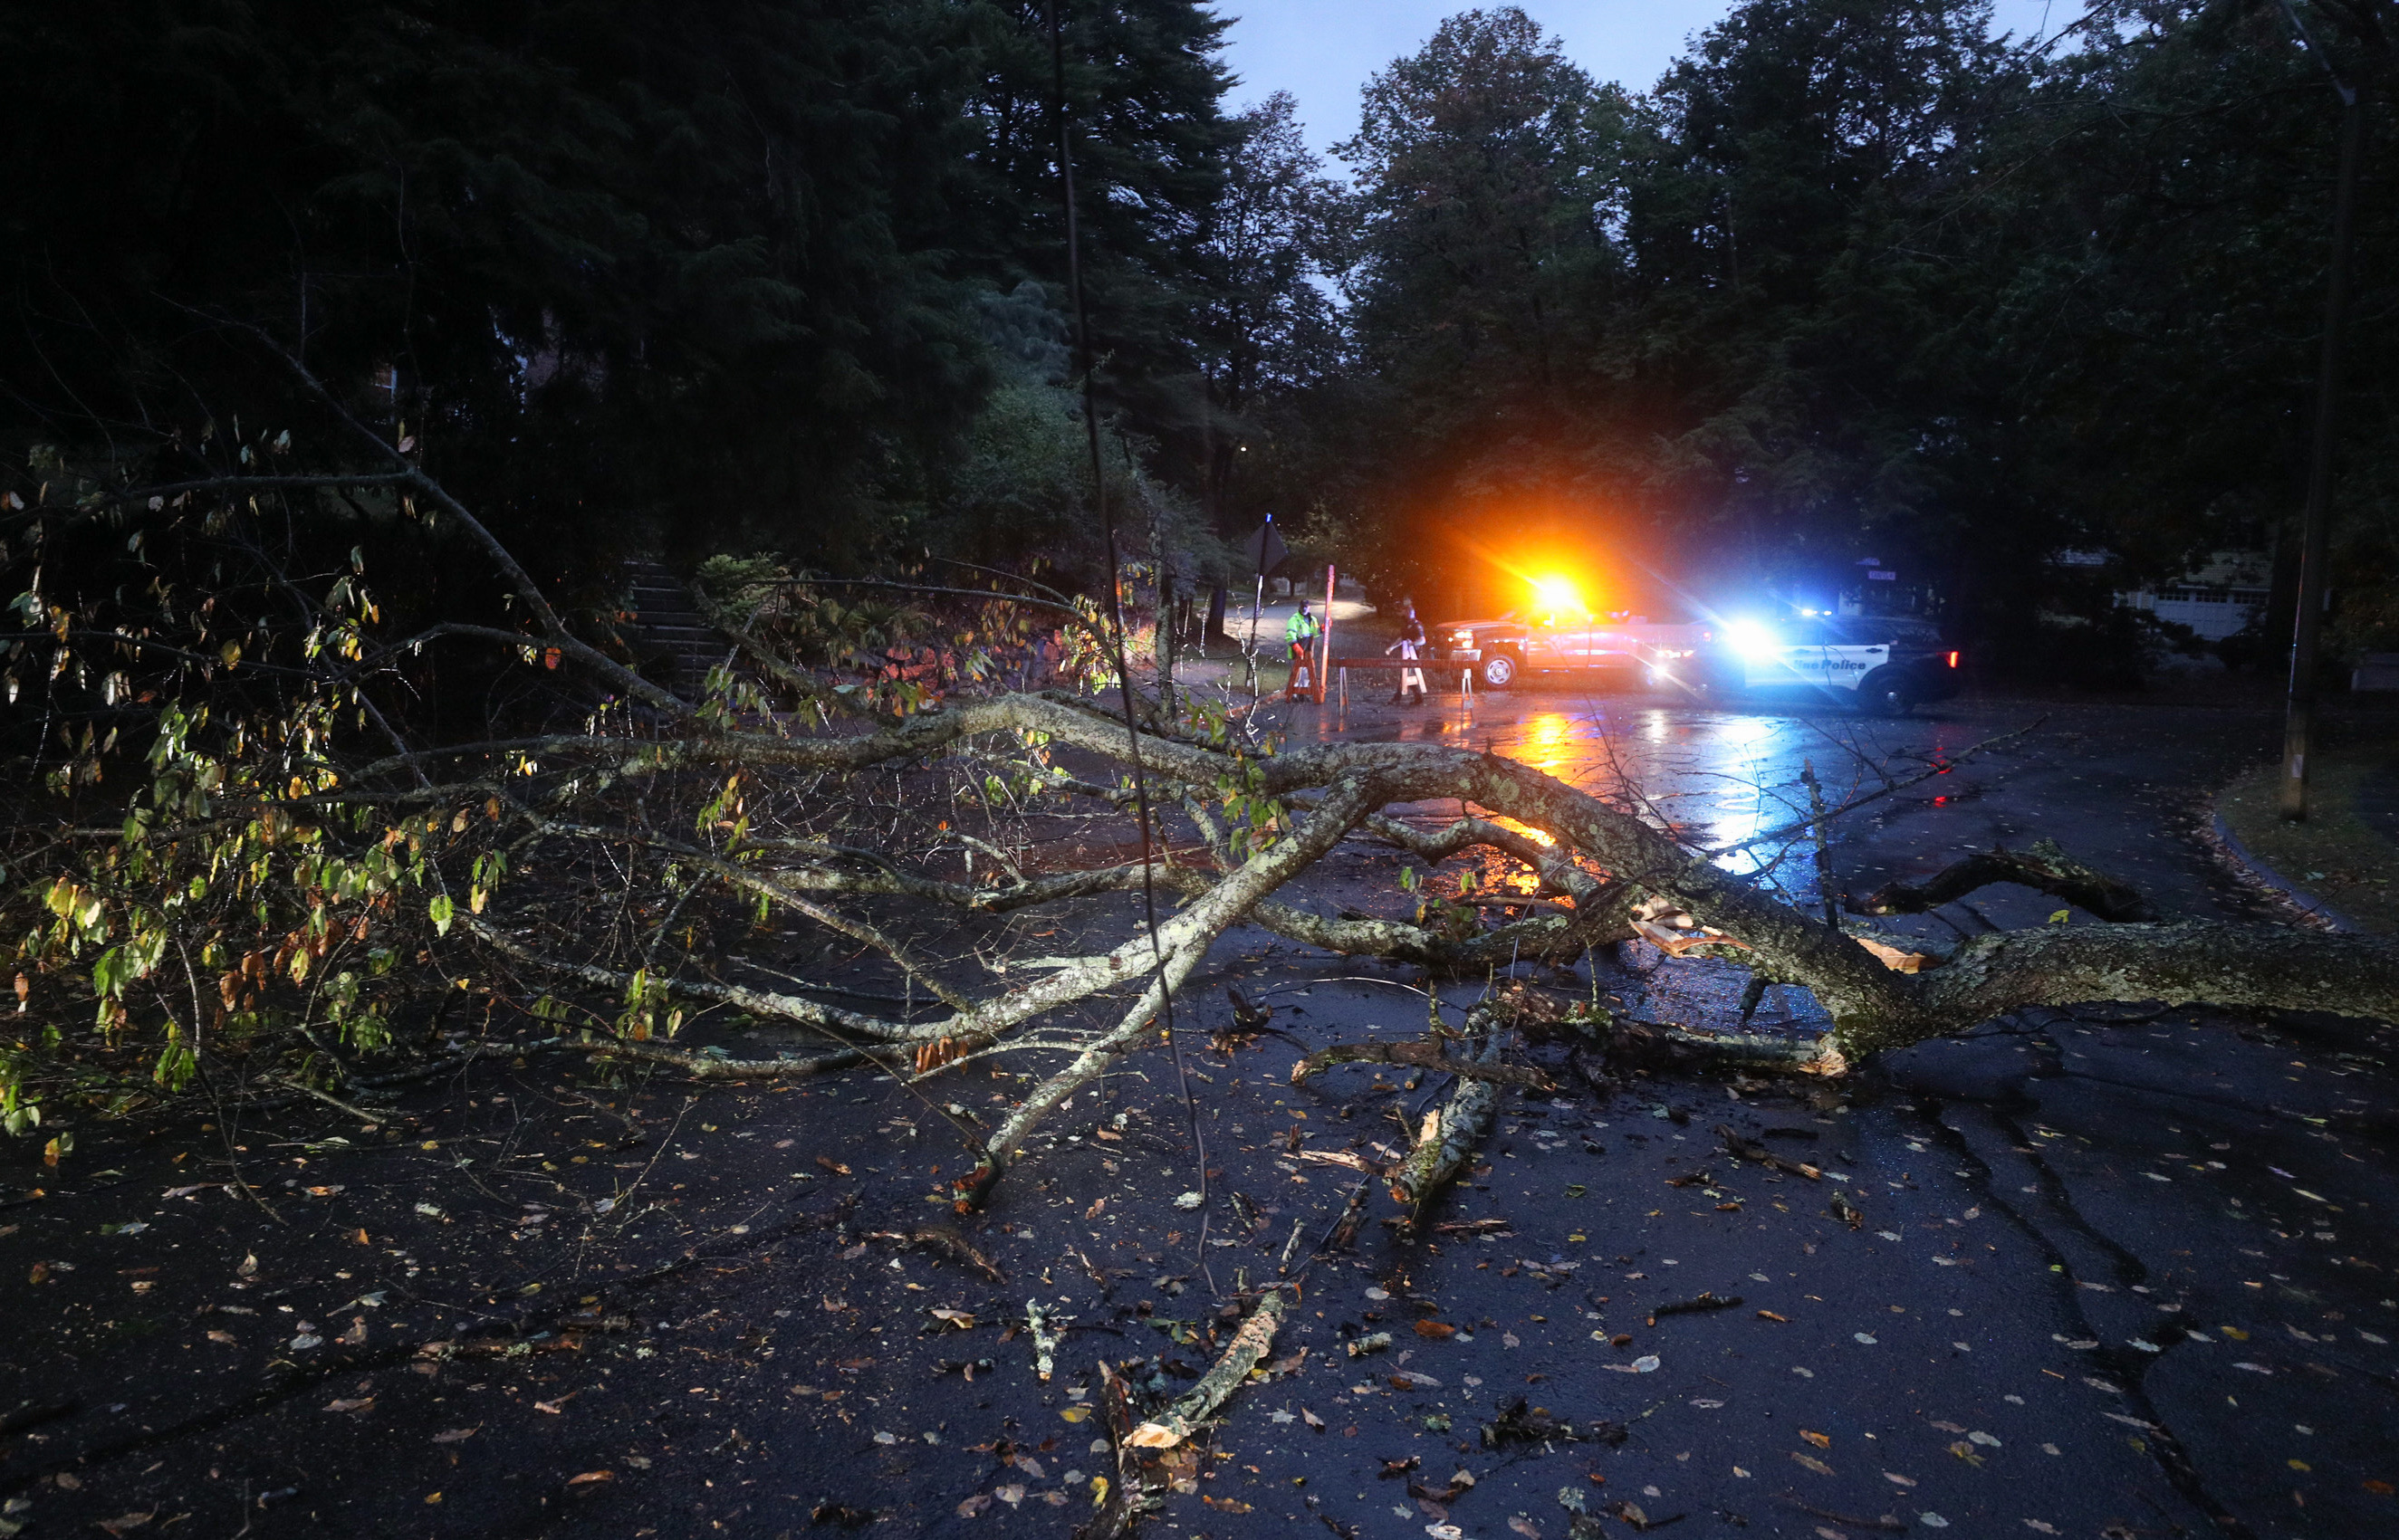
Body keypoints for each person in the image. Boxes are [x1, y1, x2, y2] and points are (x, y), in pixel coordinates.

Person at [1385, 601, 1427, 706]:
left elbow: (1422, 640)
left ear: (1413, 613)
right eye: (1406, 612)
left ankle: (1397, 698)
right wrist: (1392, 647)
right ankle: (1419, 697)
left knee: (1405, 675)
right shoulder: (1405, 626)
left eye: (1409, 612)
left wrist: (1412, 643)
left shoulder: (1417, 626)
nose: (1407, 615)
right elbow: (1401, 639)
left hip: (1415, 654)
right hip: (1406, 653)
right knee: (1407, 675)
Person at [1282, 598, 1320, 700]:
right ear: (1300, 607)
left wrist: (1322, 629)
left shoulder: (1312, 619)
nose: (1304, 609)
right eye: (1303, 606)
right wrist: (1296, 647)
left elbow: (1314, 632)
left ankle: (1302, 693)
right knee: (1296, 672)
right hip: (1298, 649)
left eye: (1306, 606)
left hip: (1307, 649)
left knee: (1305, 672)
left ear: (1309, 607)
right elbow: (1290, 635)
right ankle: (1293, 694)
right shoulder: (1294, 619)